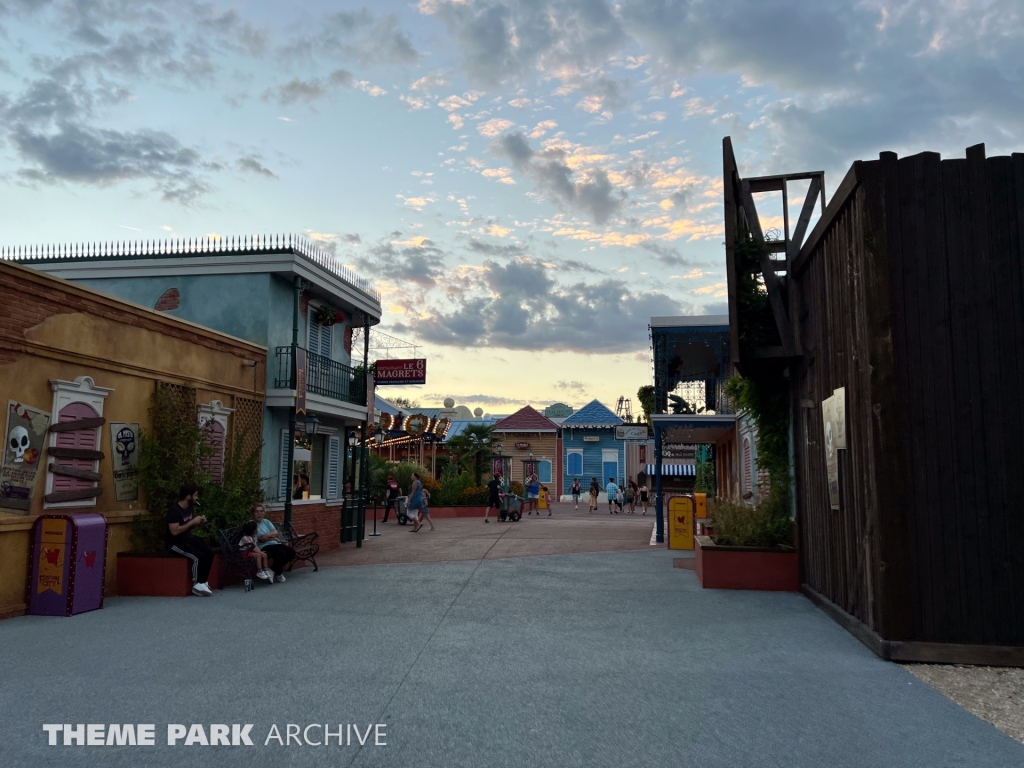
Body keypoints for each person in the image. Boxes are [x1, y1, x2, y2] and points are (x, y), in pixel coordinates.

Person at [166, 484, 214, 597]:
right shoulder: (174, 511)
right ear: (188, 497)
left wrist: (198, 521)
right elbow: (174, 531)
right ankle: (196, 584)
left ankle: (203, 581)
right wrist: (192, 522)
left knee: (209, 551)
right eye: (195, 495)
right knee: (197, 556)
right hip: (175, 543)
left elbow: (187, 526)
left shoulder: (190, 508)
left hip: (187, 538)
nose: (197, 498)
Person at [253, 504, 296, 582]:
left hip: (275, 543)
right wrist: (273, 538)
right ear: (253, 513)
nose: (259, 513)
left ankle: (272, 569)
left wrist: (268, 536)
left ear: (264, 513)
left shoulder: (266, 521)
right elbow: (259, 539)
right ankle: (278, 574)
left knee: (291, 552)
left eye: (261, 511)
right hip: (263, 546)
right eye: (257, 511)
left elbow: (275, 532)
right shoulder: (252, 524)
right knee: (280, 553)